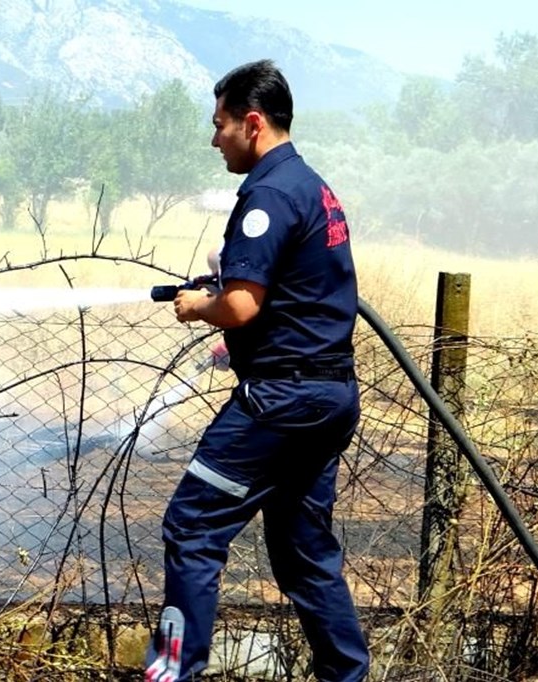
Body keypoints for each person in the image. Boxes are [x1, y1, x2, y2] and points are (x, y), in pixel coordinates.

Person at [145, 60, 368, 682]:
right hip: (328, 396)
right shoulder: (311, 185)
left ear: (252, 122)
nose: (214, 139)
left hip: (280, 402)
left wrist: (200, 307)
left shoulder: (267, 193)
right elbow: (295, 290)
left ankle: (169, 675)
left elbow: (241, 306)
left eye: (219, 125)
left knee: (190, 529)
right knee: (304, 555)